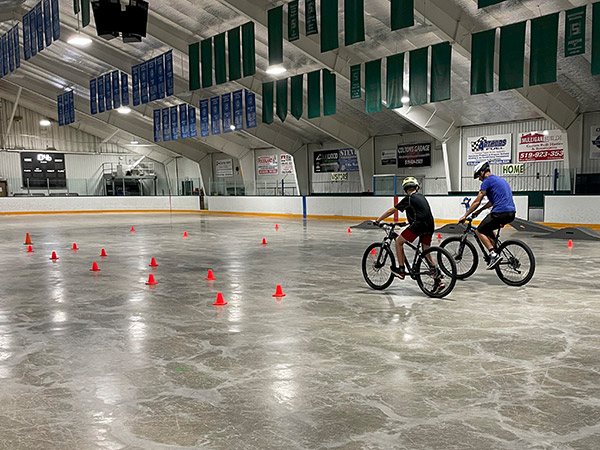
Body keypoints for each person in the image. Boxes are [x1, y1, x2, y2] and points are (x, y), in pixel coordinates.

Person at [374, 177, 442, 290]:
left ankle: (401, 270)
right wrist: (407, 222)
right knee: (426, 250)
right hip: (430, 225)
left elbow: (392, 210)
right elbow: (421, 212)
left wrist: (378, 220)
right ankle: (437, 279)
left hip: (419, 225)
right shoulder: (421, 196)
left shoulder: (409, 198)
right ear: (416, 187)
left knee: (398, 241)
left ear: (405, 189)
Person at [459, 161, 516, 269]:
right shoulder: (500, 180)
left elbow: (477, 201)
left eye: (478, 176)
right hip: (511, 213)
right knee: (488, 229)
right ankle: (496, 249)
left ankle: (493, 254)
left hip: (499, 212)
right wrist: (479, 211)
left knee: (479, 230)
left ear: (482, 172)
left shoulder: (487, 181)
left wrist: (465, 215)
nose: (479, 179)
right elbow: (491, 202)